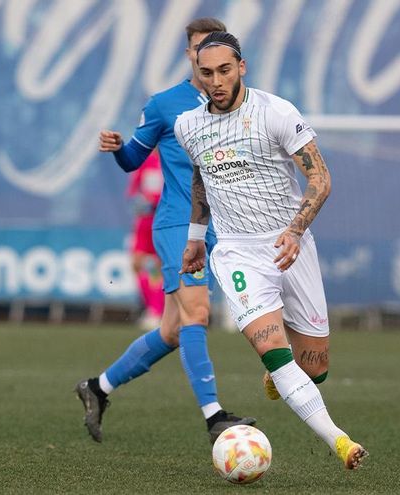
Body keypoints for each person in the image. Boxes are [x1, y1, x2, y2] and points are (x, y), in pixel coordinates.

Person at [176, 32, 368, 469]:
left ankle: (281, 378)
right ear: (197, 75)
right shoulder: (188, 126)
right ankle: (340, 441)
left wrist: (296, 230)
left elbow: (321, 178)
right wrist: (194, 238)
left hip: (290, 246)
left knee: (315, 366)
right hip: (238, 254)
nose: (216, 81)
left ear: (242, 67)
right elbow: (201, 180)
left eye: (225, 70)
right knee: (276, 350)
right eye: (206, 73)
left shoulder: (277, 113)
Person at [77, 17, 255, 444]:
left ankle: (97, 388)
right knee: (198, 314)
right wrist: (120, 148)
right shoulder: (165, 104)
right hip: (178, 223)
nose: (206, 59)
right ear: (190, 53)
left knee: (174, 330)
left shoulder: (242, 102)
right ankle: (215, 418)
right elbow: (133, 160)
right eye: (199, 50)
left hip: (224, 229)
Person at [127, 149, 164, 330]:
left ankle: (156, 312)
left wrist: (157, 203)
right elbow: (133, 192)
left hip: (162, 221)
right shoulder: (145, 162)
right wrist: (139, 202)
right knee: (137, 263)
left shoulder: (171, 160)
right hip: (144, 222)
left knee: (157, 267)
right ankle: (151, 308)